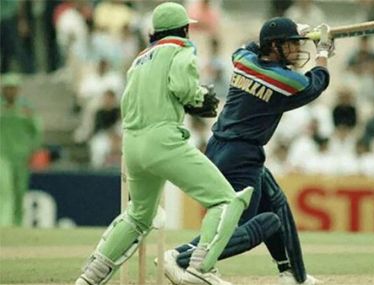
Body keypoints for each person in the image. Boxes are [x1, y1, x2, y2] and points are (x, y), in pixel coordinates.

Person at [75, 3, 253, 285]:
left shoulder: (138, 59)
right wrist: (199, 98)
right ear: (184, 29)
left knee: (138, 216)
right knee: (225, 200)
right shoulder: (181, 49)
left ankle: (89, 278)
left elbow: (128, 102)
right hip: (164, 140)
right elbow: (182, 87)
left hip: (132, 144)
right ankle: (200, 267)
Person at [161, 17, 334, 285]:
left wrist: (294, 32)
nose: (296, 50)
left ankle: (293, 274)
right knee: (239, 225)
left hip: (220, 146)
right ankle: (180, 257)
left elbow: (246, 47)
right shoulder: (284, 79)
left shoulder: (243, 59)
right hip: (242, 155)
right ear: (273, 46)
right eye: (289, 44)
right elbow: (315, 84)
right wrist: (323, 52)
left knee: (275, 202)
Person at [0, 74, 42, 226]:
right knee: (5, 190)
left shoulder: (25, 110)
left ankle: (17, 225)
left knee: (19, 192)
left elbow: (37, 131)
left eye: (13, 88)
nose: (9, 92)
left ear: (18, 90)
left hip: (22, 157)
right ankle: (4, 224)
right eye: (7, 88)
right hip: (2, 156)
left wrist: (33, 150)